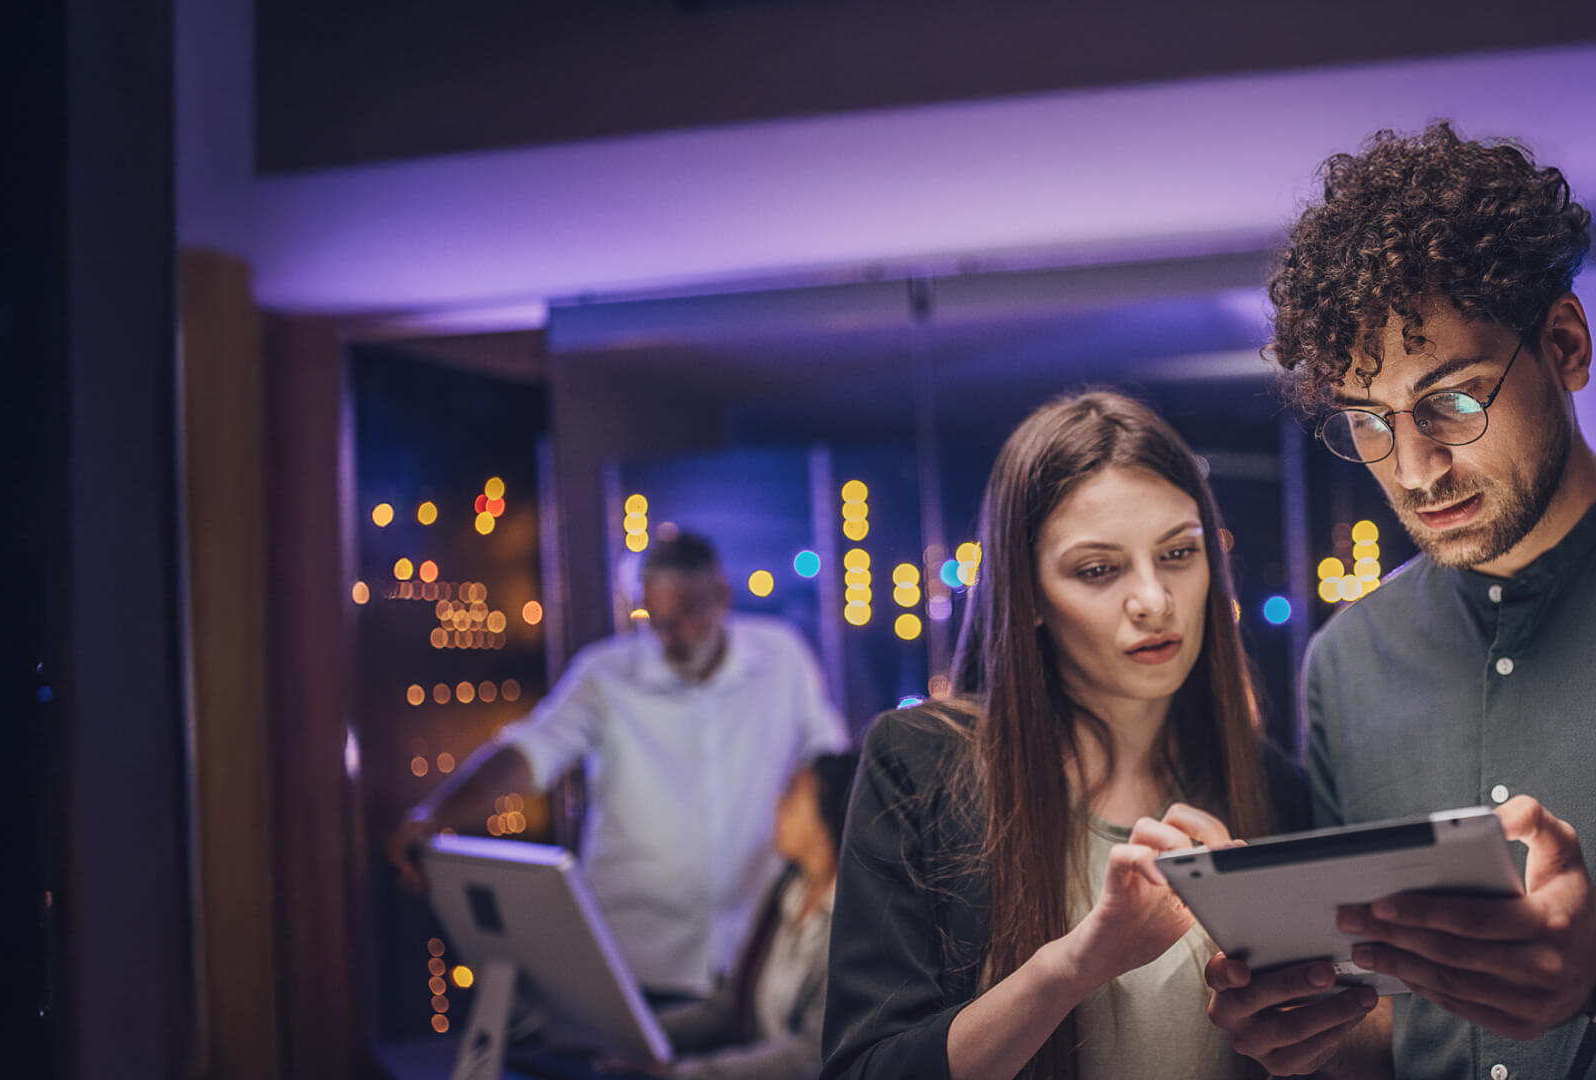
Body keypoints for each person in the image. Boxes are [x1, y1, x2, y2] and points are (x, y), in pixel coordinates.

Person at [1206, 122, 1596, 1079]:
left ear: (1565, 344)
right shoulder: (1346, 660)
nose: (1415, 469)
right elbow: (1391, 1023)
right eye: (1368, 423)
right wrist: (1303, 1030)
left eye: (1453, 401)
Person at [821, 391, 1308, 1080]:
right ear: (1032, 598)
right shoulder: (921, 765)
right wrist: (1076, 965)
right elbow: (864, 1069)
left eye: (1177, 553)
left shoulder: (1270, 785)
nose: (1153, 599)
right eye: (1099, 570)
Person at [388, 531, 849, 998]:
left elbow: (827, 762)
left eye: (686, 616)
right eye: (657, 621)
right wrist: (438, 815)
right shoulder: (605, 674)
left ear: (721, 597)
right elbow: (531, 751)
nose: (669, 639)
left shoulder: (782, 657)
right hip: (636, 959)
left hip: (757, 953)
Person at [650, 751, 860, 1080]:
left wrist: (684, 1074)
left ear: (825, 822)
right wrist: (639, 1035)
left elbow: (812, 1055)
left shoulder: (856, 921)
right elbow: (725, 1009)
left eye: (792, 794)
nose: (778, 804)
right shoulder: (785, 891)